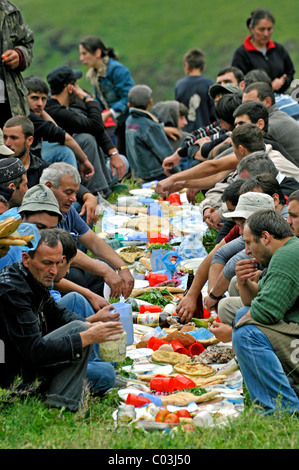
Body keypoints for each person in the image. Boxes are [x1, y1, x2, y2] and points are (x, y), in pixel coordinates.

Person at [0, 228, 124, 411]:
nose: (54, 271)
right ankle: (62, 404)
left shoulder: (32, 277)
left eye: (58, 263)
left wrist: (92, 324)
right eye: (47, 263)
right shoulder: (13, 292)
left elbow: (57, 313)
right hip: (13, 380)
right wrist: (86, 336)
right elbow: (35, 351)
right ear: (26, 259)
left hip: (25, 362)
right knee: (104, 373)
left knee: (80, 324)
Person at [212, 210, 299, 414]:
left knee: (245, 333)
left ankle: (282, 410)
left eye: (249, 243)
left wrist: (233, 332)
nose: (247, 251)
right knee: (244, 313)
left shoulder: (287, 255)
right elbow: (255, 303)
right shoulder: (286, 250)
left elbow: (265, 312)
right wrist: (243, 282)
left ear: (266, 237)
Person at [39, 162, 134, 299]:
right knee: (78, 276)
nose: (73, 199)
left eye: (76, 193)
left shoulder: (66, 208)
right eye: (68, 192)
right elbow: (67, 253)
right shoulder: (40, 214)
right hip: (48, 280)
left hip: (61, 268)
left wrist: (122, 268)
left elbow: (93, 242)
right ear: (48, 187)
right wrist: (104, 271)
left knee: (98, 274)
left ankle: (99, 313)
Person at [45, 65, 128, 198]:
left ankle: (104, 186)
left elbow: (94, 126)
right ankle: (100, 192)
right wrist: (88, 98)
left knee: (123, 161)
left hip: (89, 167)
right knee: (86, 138)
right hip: (72, 170)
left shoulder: (62, 106)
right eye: (76, 85)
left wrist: (113, 152)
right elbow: (96, 125)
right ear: (70, 88)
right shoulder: (56, 111)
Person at [3, 115, 98, 226]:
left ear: (29, 140)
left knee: (79, 207)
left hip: (41, 223)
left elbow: (65, 181)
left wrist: (89, 197)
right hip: (10, 222)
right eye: (5, 137)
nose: (7, 143)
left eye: (13, 138)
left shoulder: (39, 165)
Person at [24, 75, 95, 181]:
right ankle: (74, 192)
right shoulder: (28, 116)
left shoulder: (36, 113)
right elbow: (65, 138)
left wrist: (40, 110)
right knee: (63, 151)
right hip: (26, 165)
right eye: (34, 98)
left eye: (43, 99)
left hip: (34, 159)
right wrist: (84, 160)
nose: (39, 103)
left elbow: (55, 129)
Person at [79, 35, 135, 155]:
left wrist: (110, 113)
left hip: (132, 123)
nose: (81, 58)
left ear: (97, 53)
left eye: (84, 53)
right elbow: (100, 101)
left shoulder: (117, 70)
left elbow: (129, 97)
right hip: (120, 123)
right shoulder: (95, 75)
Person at [231, 8, 295, 94]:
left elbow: (290, 72)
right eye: (261, 29)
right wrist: (268, 88)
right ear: (251, 28)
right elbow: (238, 83)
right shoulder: (241, 54)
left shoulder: (279, 49)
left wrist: (283, 82)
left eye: (269, 29)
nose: (266, 34)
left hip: (281, 98)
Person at [125, 84, 179, 181]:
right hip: (156, 174)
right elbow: (164, 152)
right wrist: (178, 174)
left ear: (129, 104)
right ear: (150, 102)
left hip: (139, 173)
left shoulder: (129, 121)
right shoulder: (151, 126)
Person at [242, 82, 299, 166]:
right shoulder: (274, 118)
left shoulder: (272, 124)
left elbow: (241, 147)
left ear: (267, 102)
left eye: (249, 103)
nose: (244, 109)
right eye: (243, 105)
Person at [0, 1, 34, 128]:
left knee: (13, 145)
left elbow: (27, 44)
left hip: (9, 102)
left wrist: (19, 55)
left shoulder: (10, 11)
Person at [174, 48, 215, 132]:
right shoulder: (208, 83)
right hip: (206, 133)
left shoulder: (180, 85)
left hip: (185, 133)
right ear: (203, 66)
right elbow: (213, 112)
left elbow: (176, 111)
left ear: (187, 64)